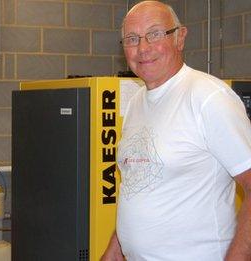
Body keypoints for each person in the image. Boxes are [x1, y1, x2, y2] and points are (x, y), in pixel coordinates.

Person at [101, 1, 251, 260]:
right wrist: (115, 249)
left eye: (155, 34)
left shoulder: (208, 97)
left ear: (180, 37)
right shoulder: (137, 101)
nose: (143, 48)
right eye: (132, 39)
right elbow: (140, 186)